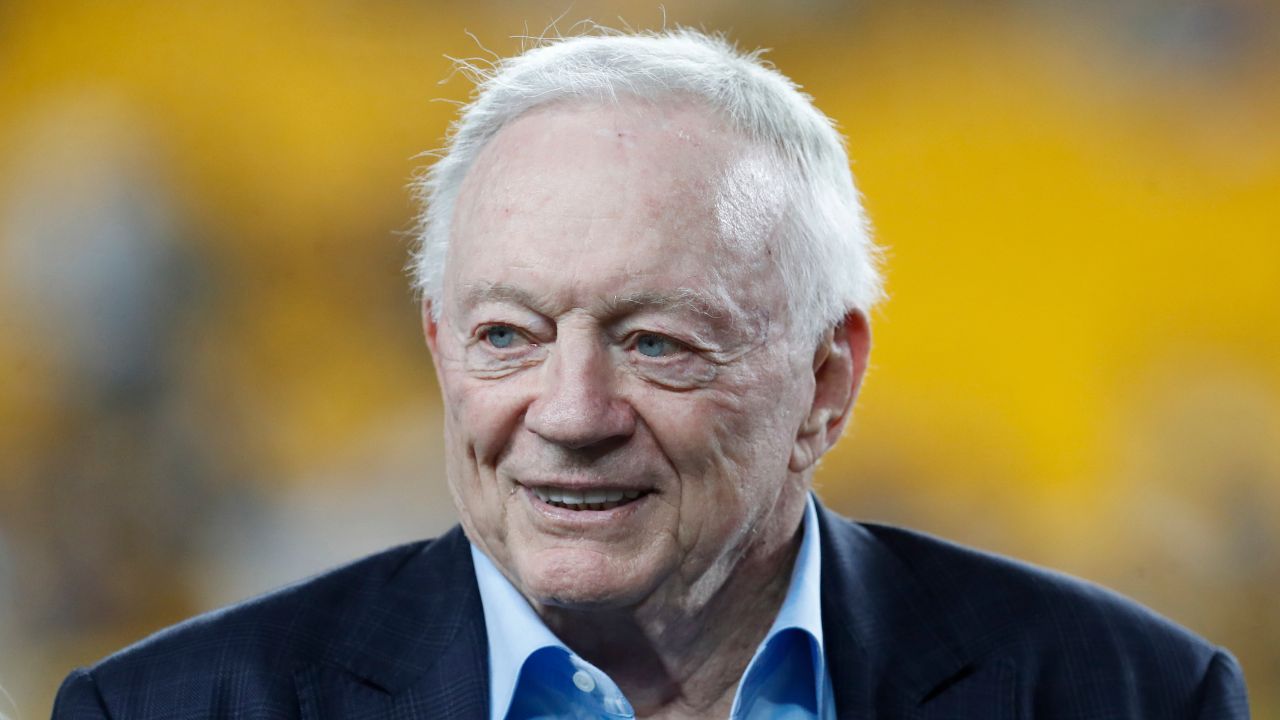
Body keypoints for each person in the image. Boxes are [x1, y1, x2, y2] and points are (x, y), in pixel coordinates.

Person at [53, 29, 1249, 720]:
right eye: (507, 336)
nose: (569, 416)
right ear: (435, 348)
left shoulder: (1129, 695)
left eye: (656, 343)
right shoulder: (168, 710)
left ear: (826, 382)